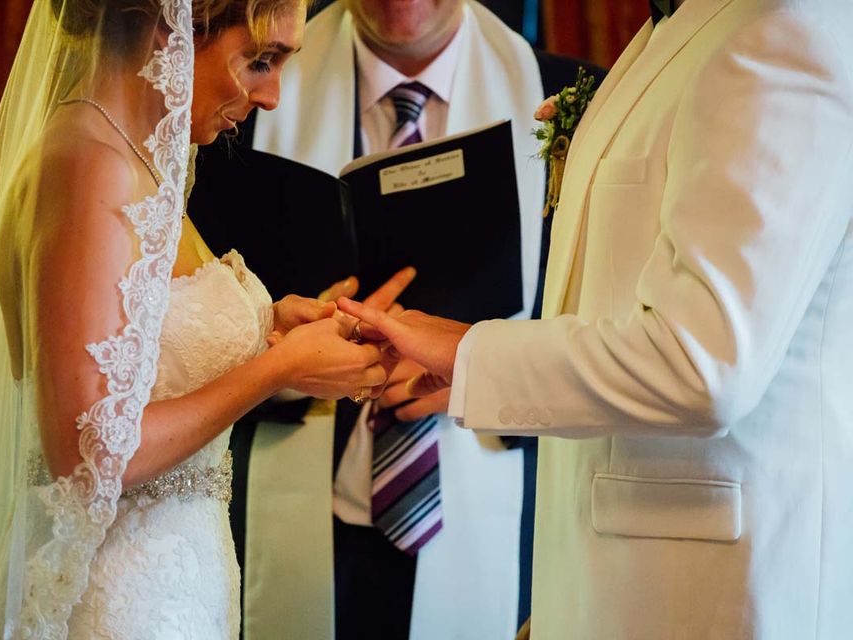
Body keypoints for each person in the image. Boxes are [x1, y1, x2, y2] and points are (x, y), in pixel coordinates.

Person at [339, 0, 853, 637]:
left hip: (715, 591)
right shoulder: (674, 30)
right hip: (617, 579)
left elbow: (703, 364)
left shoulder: (781, 36)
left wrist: (472, 353)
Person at [0, 0, 404, 637]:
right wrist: (277, 368)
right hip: (111, 603)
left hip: (174, 589)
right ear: (175, 29)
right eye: (260, 60)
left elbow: (139, 349)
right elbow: (92, 453)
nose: (271, 95)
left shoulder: (136, 161)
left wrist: (268, 327)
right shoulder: (87, 167)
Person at [188, 1, 602, 638]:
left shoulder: (574, 101)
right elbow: (185, 328)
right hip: (297, 502)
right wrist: (282, 345)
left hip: (494, 498)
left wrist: (478, 368)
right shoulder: (237, 98)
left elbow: (608, 340)